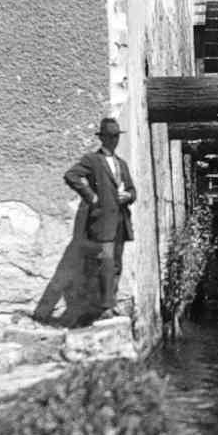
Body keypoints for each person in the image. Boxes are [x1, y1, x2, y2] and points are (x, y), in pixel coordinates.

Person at [64, 117, 136, 318]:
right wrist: (91, 197)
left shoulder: (122, 164)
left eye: (116, 136)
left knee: (117, 264)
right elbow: (71, 176)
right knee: (105, 261)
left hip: (121, 220)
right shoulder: (92, 160)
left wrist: (128, 195)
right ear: (102, 138)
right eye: (110, 137)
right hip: (102, 222)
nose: (114, 140)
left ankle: (111, 303)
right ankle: (105, 307)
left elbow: (132, 189)